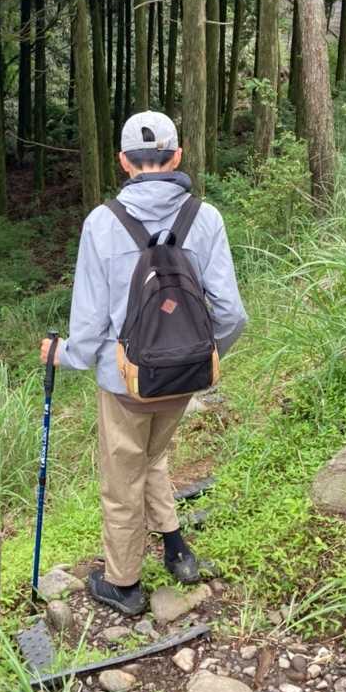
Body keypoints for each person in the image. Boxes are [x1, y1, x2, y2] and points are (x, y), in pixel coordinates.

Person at [39, 110, 247, 617]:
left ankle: (123, 583)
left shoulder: (102, 223)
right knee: (152, 457)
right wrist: (203, 356)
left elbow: (89, 325)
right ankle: (175, 547)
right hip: (185, 379)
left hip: (126, 382)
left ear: (123, 162)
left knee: (121, 481)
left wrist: (63, 354)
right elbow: (232, 314)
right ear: (176, 158)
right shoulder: (205, 217)